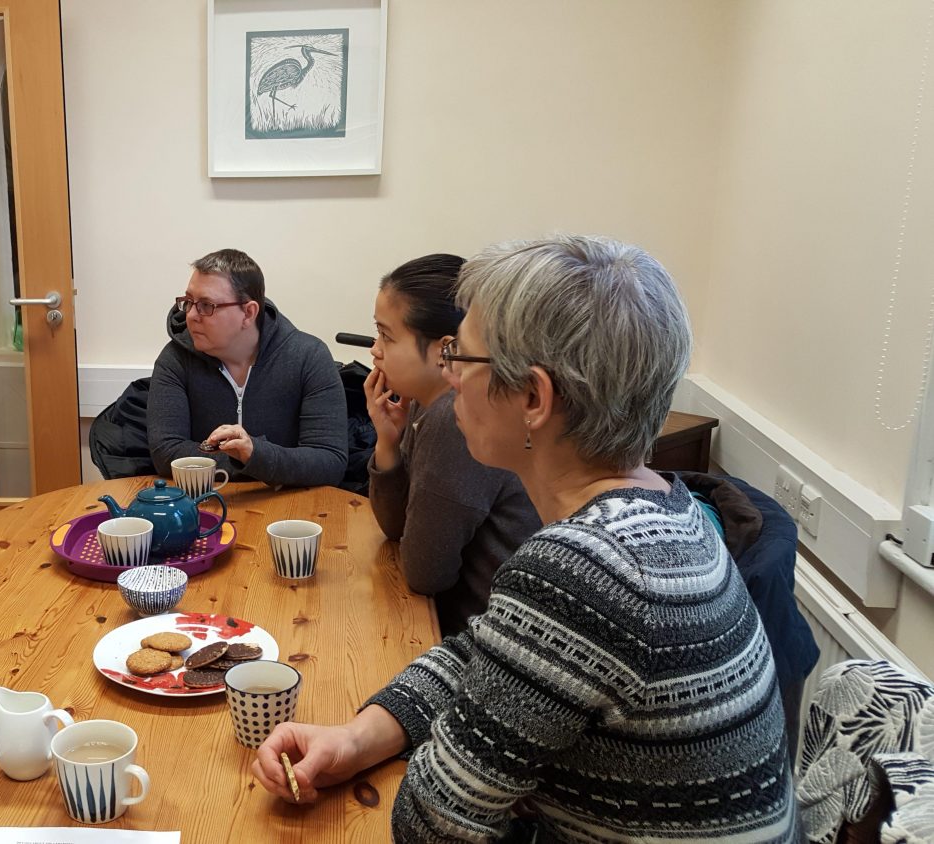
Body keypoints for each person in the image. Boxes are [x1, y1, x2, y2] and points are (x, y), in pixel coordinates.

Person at [252, 237, 797, 841]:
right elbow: (484, 652)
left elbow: (433, 822)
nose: (451, 374)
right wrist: (357, 738)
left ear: (534, 398)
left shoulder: (581, 572)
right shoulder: (667, 504)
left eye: (465, 356)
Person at [364, 254, 540, 635]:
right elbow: (397, 528)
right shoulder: (424, 403)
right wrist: (388, 444)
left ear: (444, 349)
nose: (375, 350)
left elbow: (425, 572)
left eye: (387, 335)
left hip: (480, 636)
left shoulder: (454, 417)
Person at [147, 248, 347, 487]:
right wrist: (244, 458)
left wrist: (255, 453)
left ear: (248, 313)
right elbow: (166, 452)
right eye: (188, 302)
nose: (191, 315)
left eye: (206, 305)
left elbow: (329, 461)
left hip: (291, 511)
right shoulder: (175, 360)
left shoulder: (309, 357)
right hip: (204, 505)